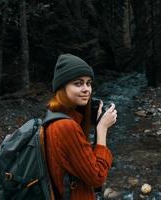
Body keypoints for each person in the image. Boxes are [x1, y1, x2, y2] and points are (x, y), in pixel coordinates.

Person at [45, 53, 117, 200]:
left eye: (88, 83)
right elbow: (97, 177)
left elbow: (80, 159)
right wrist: (102, 129)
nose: (87, 89)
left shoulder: (53, 115)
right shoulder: (65, 126)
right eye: (78, 83)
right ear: (62, 87)